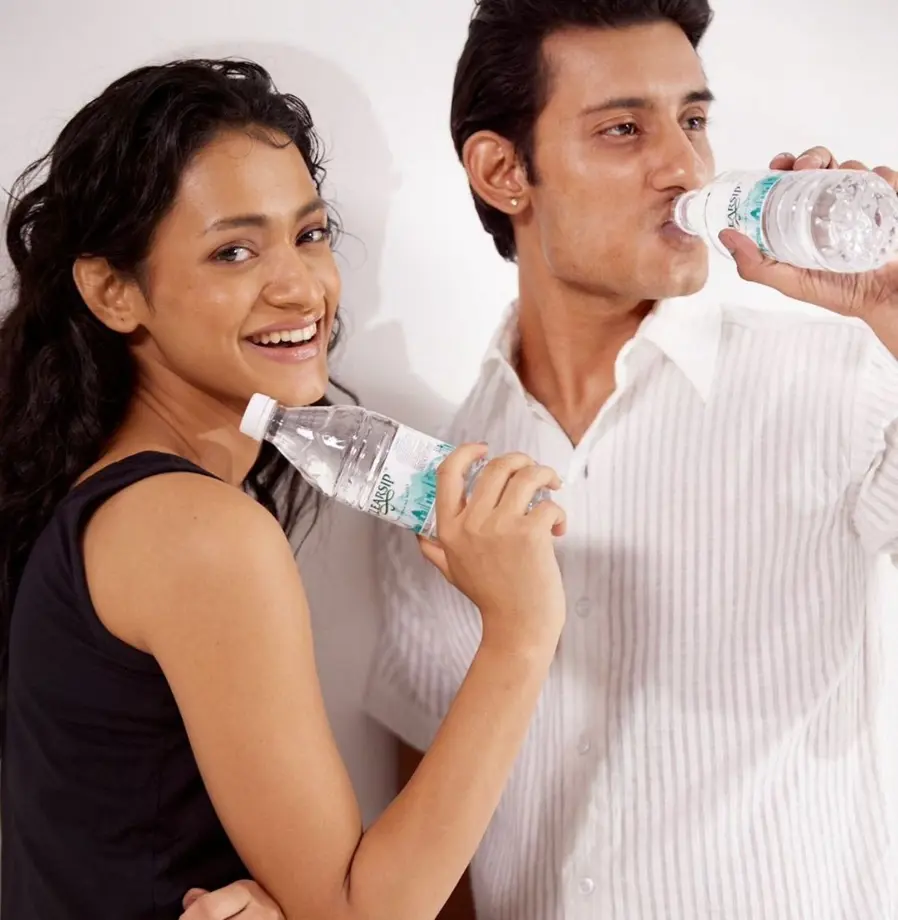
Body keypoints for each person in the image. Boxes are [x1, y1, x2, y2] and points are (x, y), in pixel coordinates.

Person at [359, 1, 898, 919]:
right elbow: (434, 842)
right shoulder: (436, 482)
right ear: (503, 172)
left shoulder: (845, 381)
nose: (687, 167)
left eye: (693, 118)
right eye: (623, 129)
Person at [0, 58, 569, 920]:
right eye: (233, 250)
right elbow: (361, 912)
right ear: (114, 292)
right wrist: (521, 633)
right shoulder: (195, 530)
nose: (301, 287)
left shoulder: (135, 508)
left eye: (309, 233)